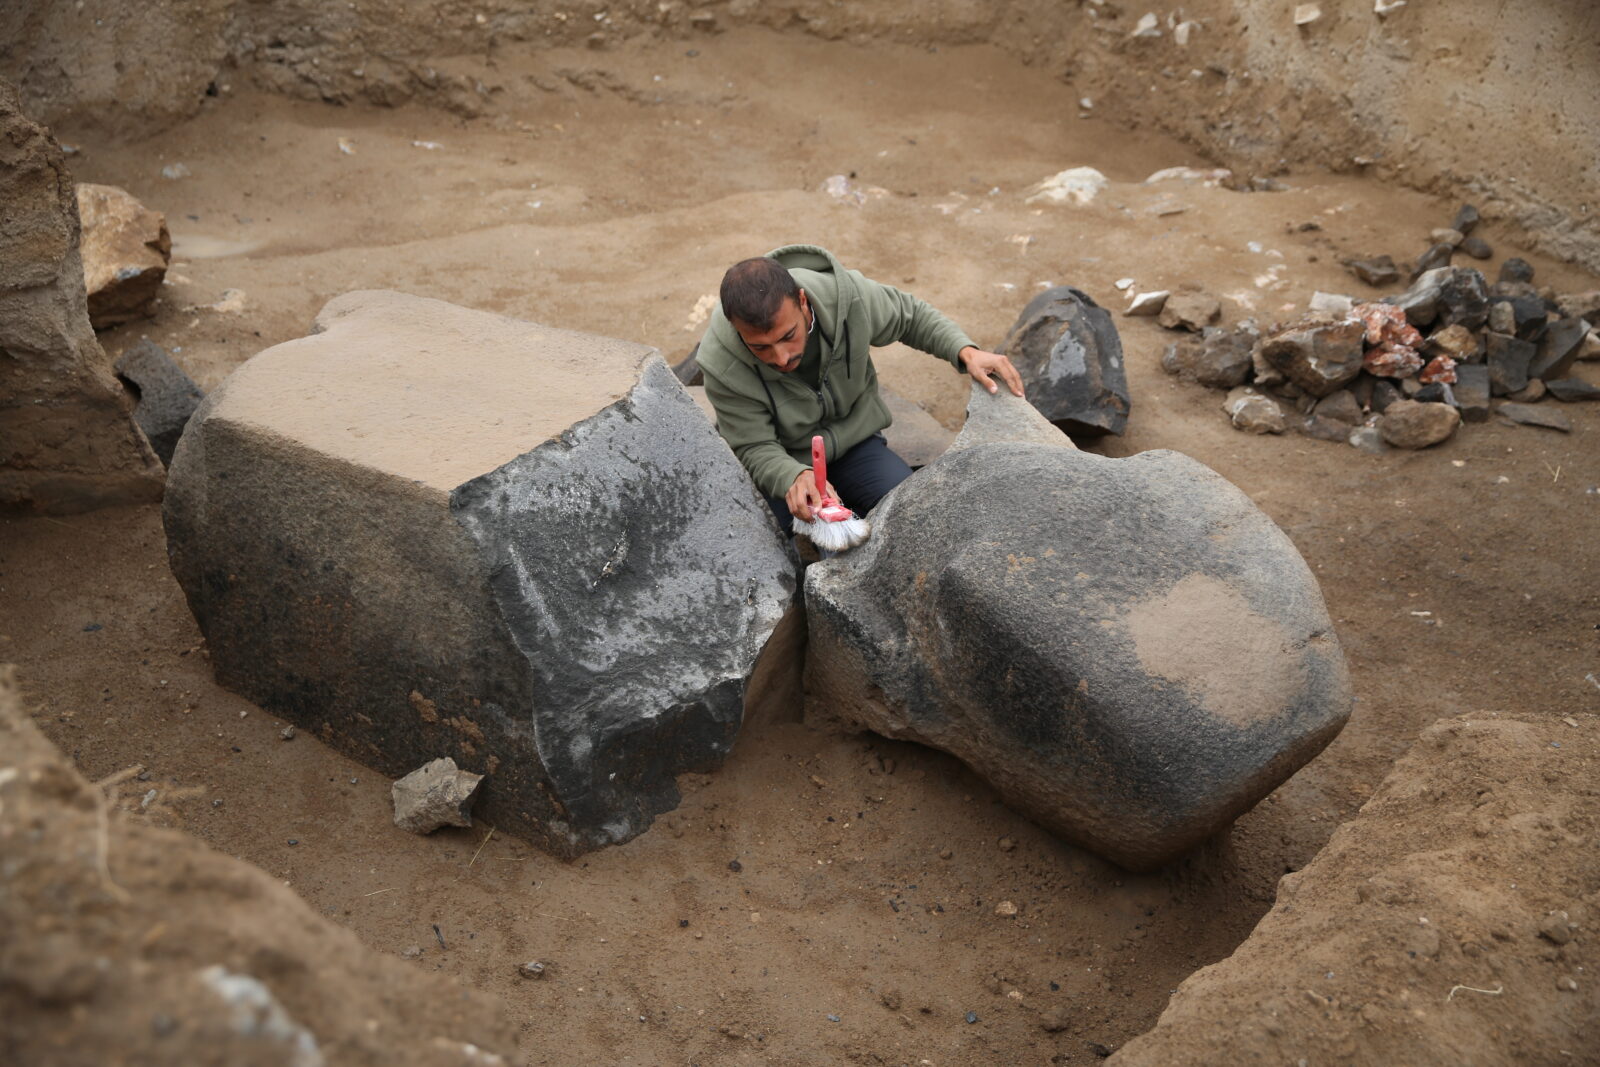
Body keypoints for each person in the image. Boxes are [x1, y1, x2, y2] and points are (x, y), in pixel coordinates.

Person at [696, 244, 1024, 532]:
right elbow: (754, 445)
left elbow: (911, 317)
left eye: (787, 336)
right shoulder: (720, 361)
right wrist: (792, 478)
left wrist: (966, 351)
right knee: (772, 543)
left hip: (856, 445)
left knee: (912, 515)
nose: (781, 357)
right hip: (788, 459)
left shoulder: (845, 298)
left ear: (802, 300)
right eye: (761, 347)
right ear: (735, 329)